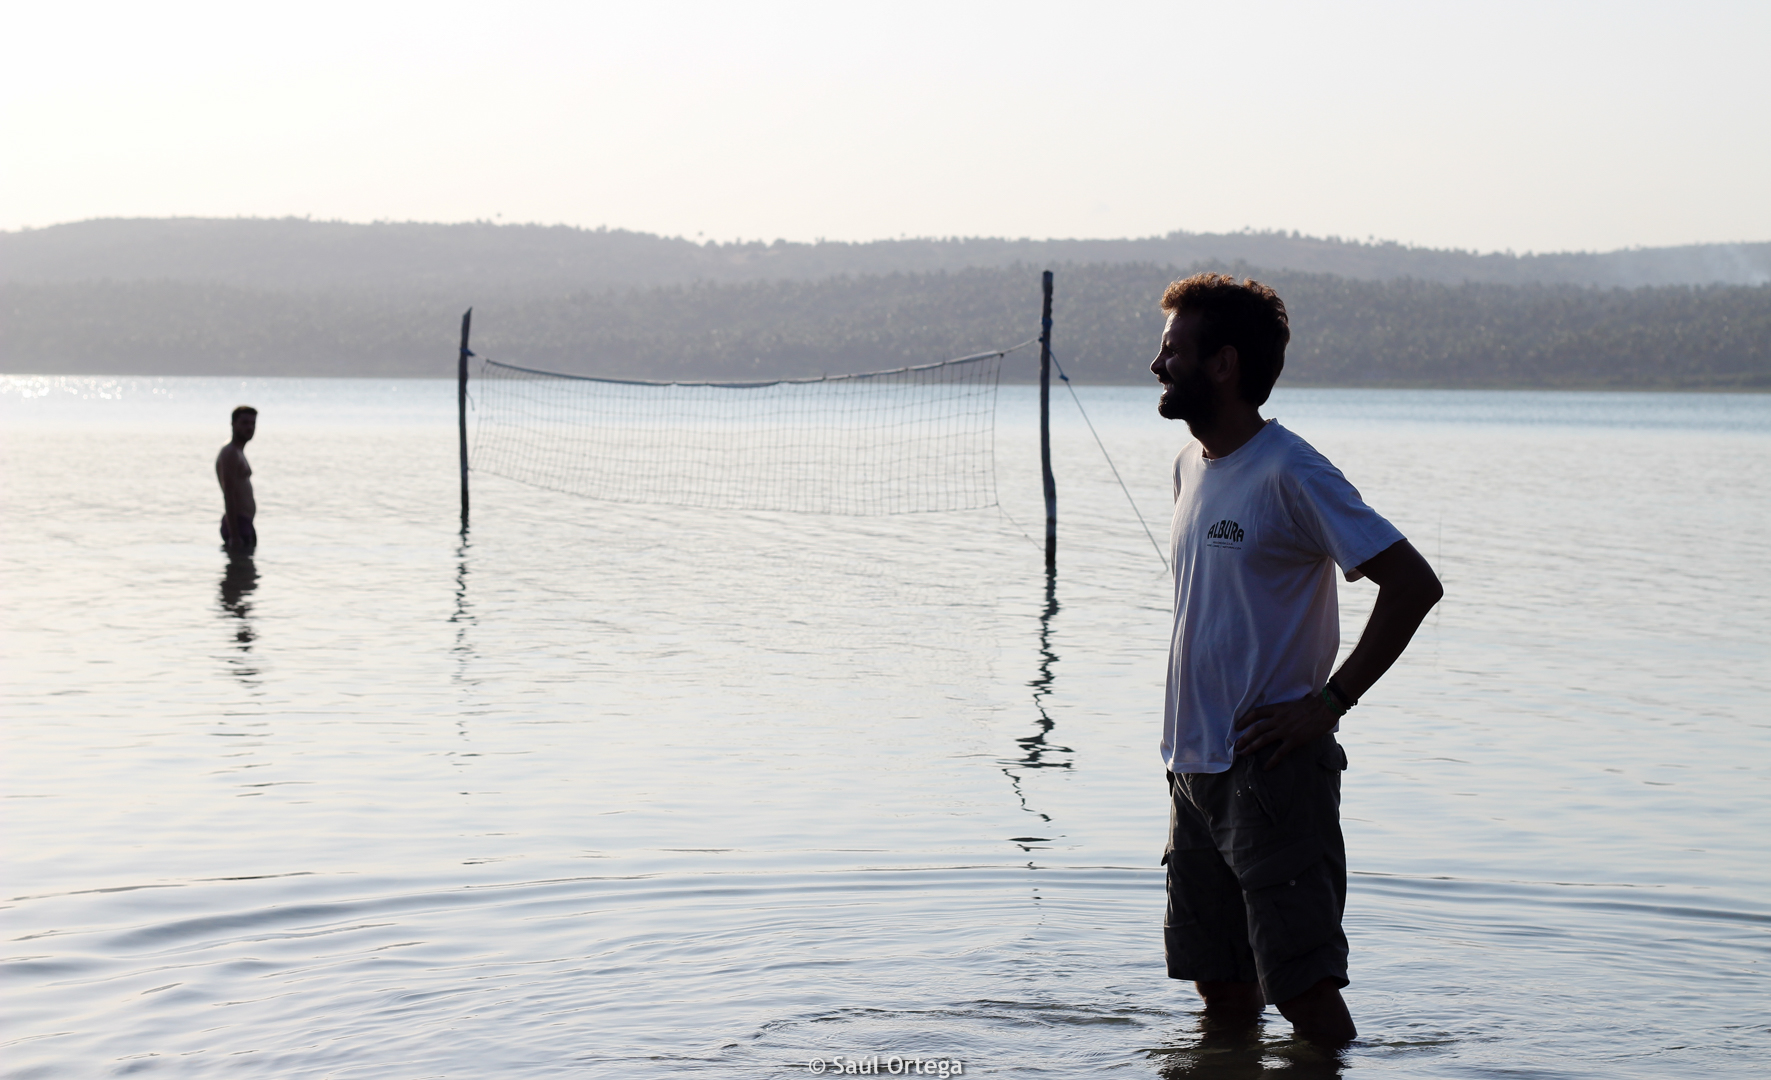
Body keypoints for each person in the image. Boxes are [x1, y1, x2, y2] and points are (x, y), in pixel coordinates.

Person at [1151, 274, 1442, 1046]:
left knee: (1305, 996)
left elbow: (1413, 584)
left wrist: (1329, 704)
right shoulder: (1188, 466)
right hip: (1192, 770)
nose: (1156, 364)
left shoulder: (1291, 470)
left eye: (1173, 350)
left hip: (1272, 774)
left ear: (1223, 364)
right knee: (1219, 992)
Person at [216, 406, 258, 550]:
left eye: (253, 423)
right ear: (233, 424)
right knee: (240, 571)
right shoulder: (230, 453)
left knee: (246, 571)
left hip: (244, 522)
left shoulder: (238, 451)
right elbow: (229, 494)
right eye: (245, 423)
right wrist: (234, 535)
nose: (250, 427)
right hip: (237, 524)